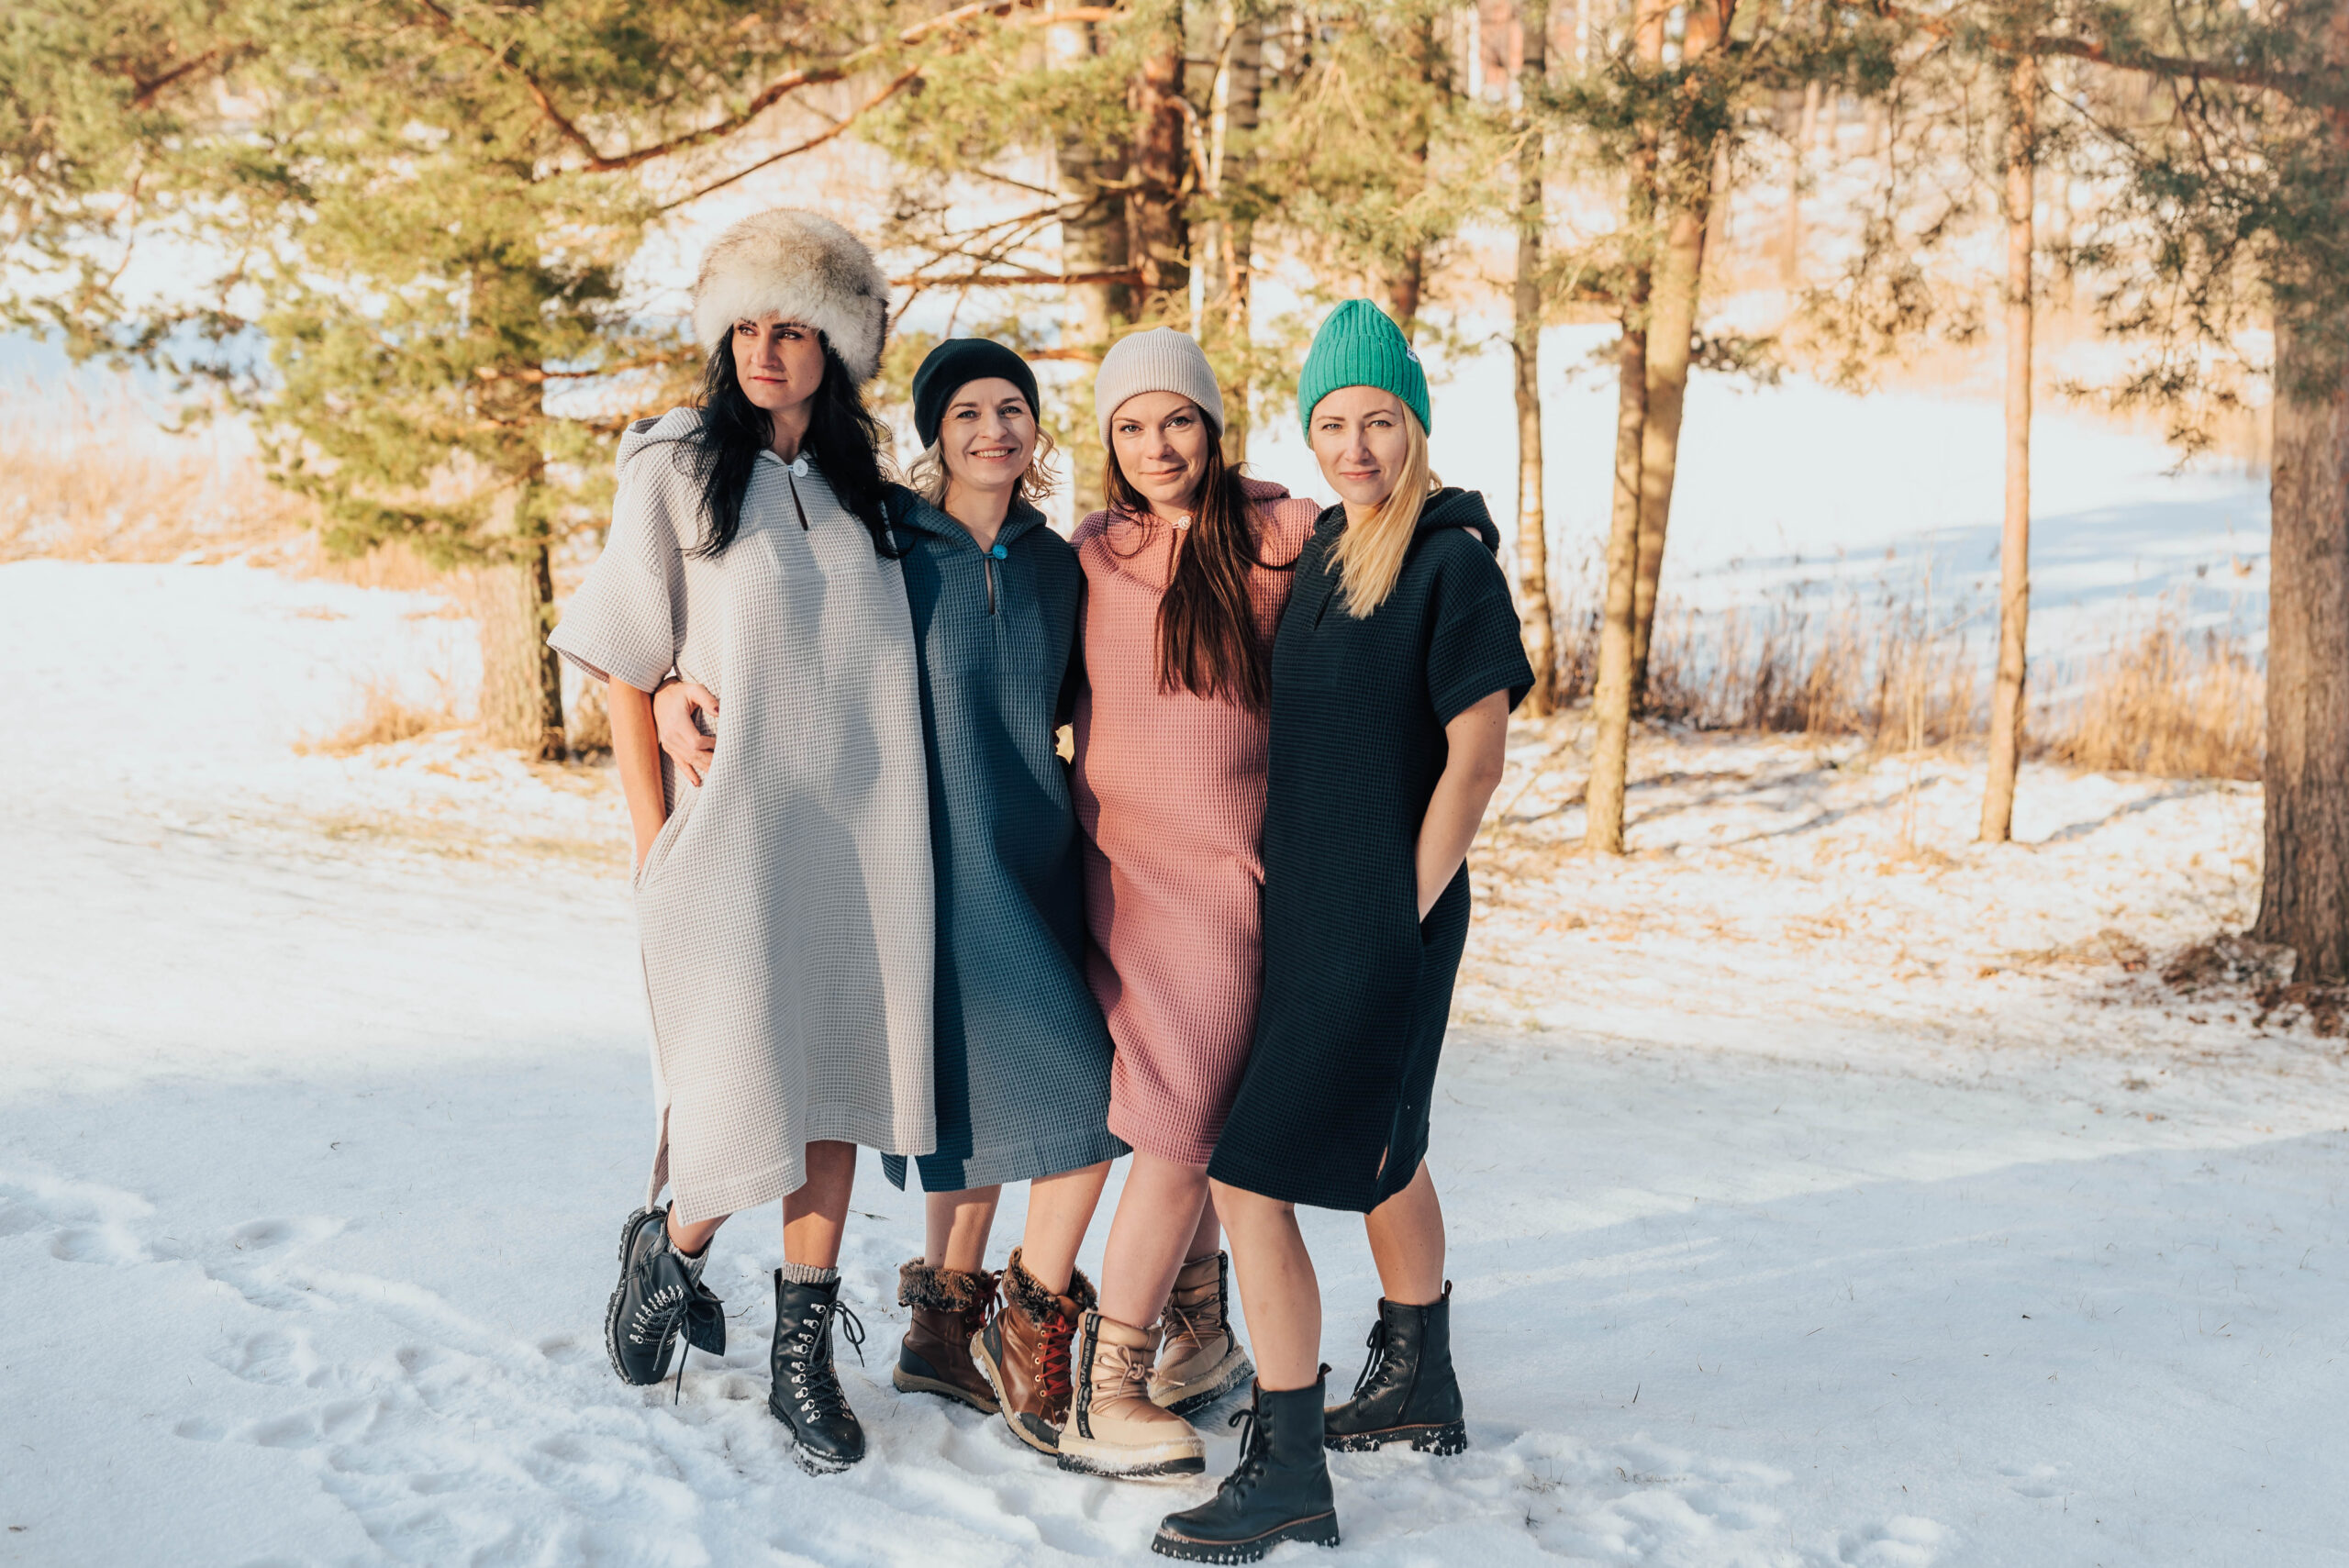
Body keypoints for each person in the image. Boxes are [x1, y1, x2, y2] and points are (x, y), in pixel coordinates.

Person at [654, 339, 1125, 1454]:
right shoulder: (885, 543)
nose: (993, 430)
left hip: (1035, 862)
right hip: (908, 860)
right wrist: (673, 679)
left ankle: (943, 1332)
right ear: (933, 434)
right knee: (1063, 1099)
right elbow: (775, 633)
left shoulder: (1061, 564)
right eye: (966, 412)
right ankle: (1015, 1325)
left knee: (1013, 1097)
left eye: (1012, 409)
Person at [549, 208, 932, 1477]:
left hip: (863, 833)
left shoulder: (869, 495)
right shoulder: (671, 465)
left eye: (795, 330)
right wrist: (653, 838)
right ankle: (672, 1248)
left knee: (835, 1083)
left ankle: (801, 1355)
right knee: (740, 1083)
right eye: (748, 327)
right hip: (731, 831)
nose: (767, 351)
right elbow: (625, 654)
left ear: (839, 348)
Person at [1154, 300, 1533, 1561]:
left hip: (1386, 914)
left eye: (1378, 420)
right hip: (1310, 909)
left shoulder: (1449, 563)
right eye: (1331, 424)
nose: (1355, 446)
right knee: (1387, 1143)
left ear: (1414, 424)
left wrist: (1396, 913)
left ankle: (1287, 1470)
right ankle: (1419, 1375)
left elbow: (1475, 763)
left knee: (1247, 1175)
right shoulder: (1324, 550)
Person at [1031, 328, 1322, 1481]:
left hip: (1244, 873)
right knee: (1182, 1115)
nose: (1158, 446)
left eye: (1178, 420)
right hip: (1134, 880)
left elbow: (1392, 530)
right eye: (1132, 426)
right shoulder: (1094, 551)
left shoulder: (1281, 535)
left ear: (1213, 425)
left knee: (1208, 1109)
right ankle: (1107, 1385)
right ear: (1108, 441)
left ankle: (1196, 1336)